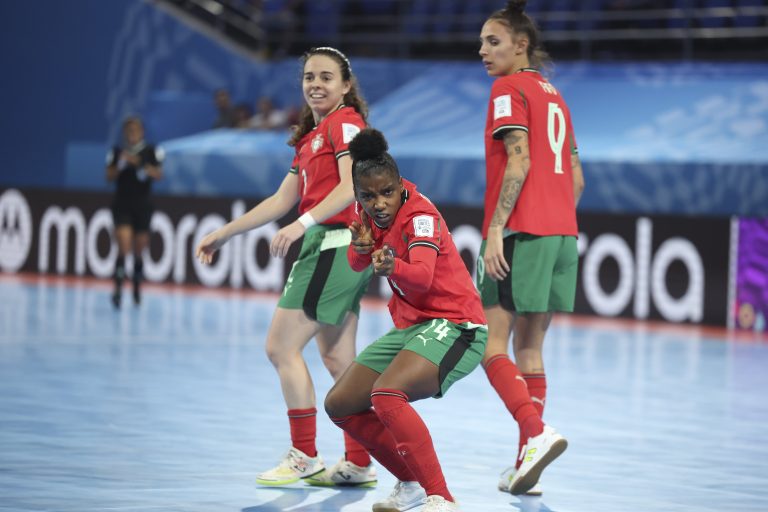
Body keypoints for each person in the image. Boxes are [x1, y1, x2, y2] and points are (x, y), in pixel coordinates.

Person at [195, 47, 377, 488]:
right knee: (337, 359)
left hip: (332, 245)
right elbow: (281, 199)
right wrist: (226, 232)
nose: (316, 84)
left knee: (280, 348)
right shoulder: (311, 136)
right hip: (338, 246)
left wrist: (302, 224)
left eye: (326, 77)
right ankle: (358, 461)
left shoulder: (345, 123)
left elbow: (352, 187)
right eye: (309, 76)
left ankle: (305, 455)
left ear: (346, 85)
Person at [324, 128, 490, 512]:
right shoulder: (363, 210)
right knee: (342, 404)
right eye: (368, 196)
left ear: (400, 185)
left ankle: (441, 498)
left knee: (385, 394)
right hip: (415, 327)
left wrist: (392, 265)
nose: (378, 203)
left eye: (386, 192)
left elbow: (423, 276)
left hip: (457, 326)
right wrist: (361, 250)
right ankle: (412, 484)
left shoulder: (420, 216)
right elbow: (356, 262)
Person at [477, 0, 584, 496]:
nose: (483, 51)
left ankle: (536, 434)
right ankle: (526, 462)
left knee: (489, 344)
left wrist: (498, 229)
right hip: (563, 233)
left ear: (521, 46)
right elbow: (577, 178)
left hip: (522, 232)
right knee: (531, 348)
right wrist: (554, 213)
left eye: (493, 41)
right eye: (480, 42)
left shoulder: (508, 89)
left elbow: (516, 164)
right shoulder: (555, 96)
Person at [105, 116, 164, 308]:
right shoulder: (117, 152)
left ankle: (137, 286)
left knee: (139, 249)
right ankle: (118, 289)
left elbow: (158, 174)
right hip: (122, 204)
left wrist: (138, 164)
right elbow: (109, 176)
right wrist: (121, 164)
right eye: (129, 130)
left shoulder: (151, 151)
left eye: (136, 129)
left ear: (142, 131)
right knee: (123, 246)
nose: (132, 133)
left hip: (143, 205)